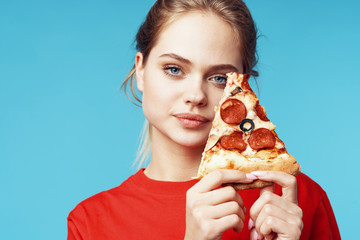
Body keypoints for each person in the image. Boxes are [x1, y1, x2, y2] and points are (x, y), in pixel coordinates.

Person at [67, 0, 341, 239]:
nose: (196, 95)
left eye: (219, 78)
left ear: (244, 87)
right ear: (140, 69)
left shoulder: (298, 198)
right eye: (174, 69)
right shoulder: (90, 223)